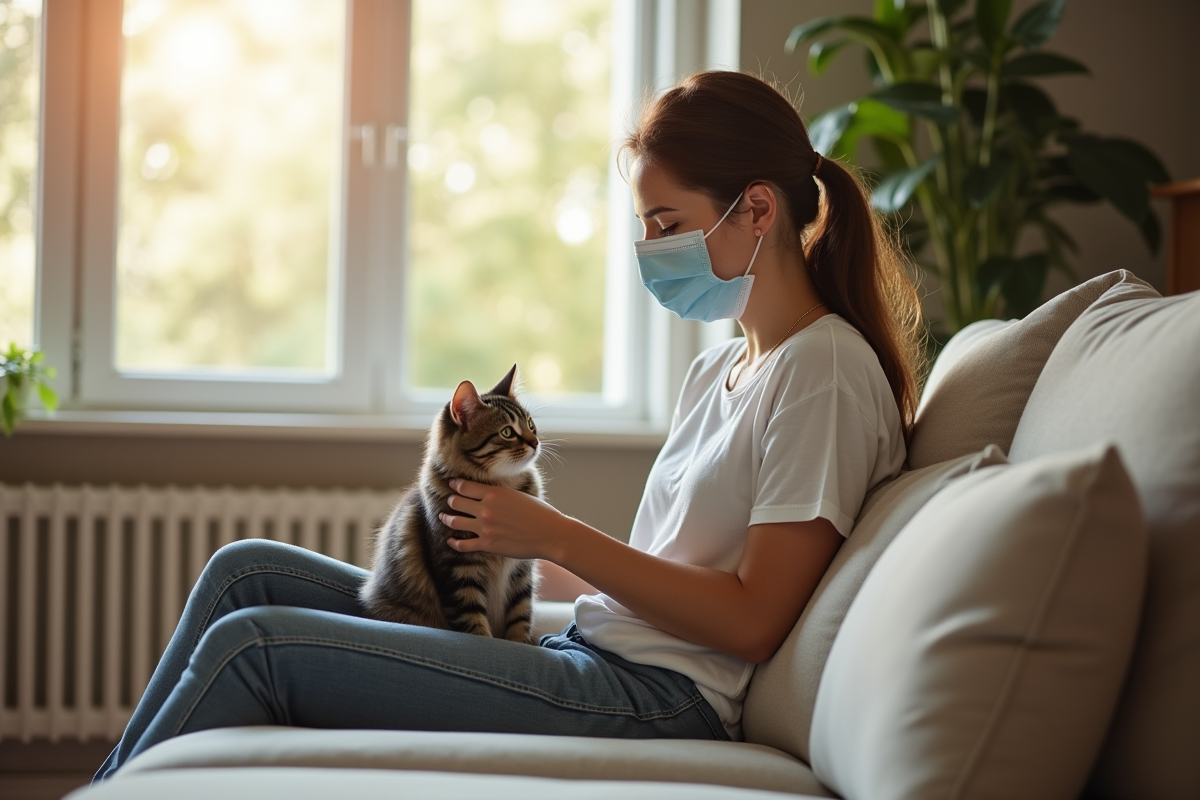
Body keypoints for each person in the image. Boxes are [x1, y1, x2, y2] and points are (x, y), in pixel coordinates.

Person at [93, 70, 922, 781]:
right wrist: (511, 543)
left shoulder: (826, 371)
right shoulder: (719, 369)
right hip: (596, 652)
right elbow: (661, 579)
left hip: (658, 700)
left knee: (254, 647)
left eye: (666, 225)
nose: (648, 250)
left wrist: (554, 535)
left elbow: (751, 619)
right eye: (643, 227)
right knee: (245, 574)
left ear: (758, 210)